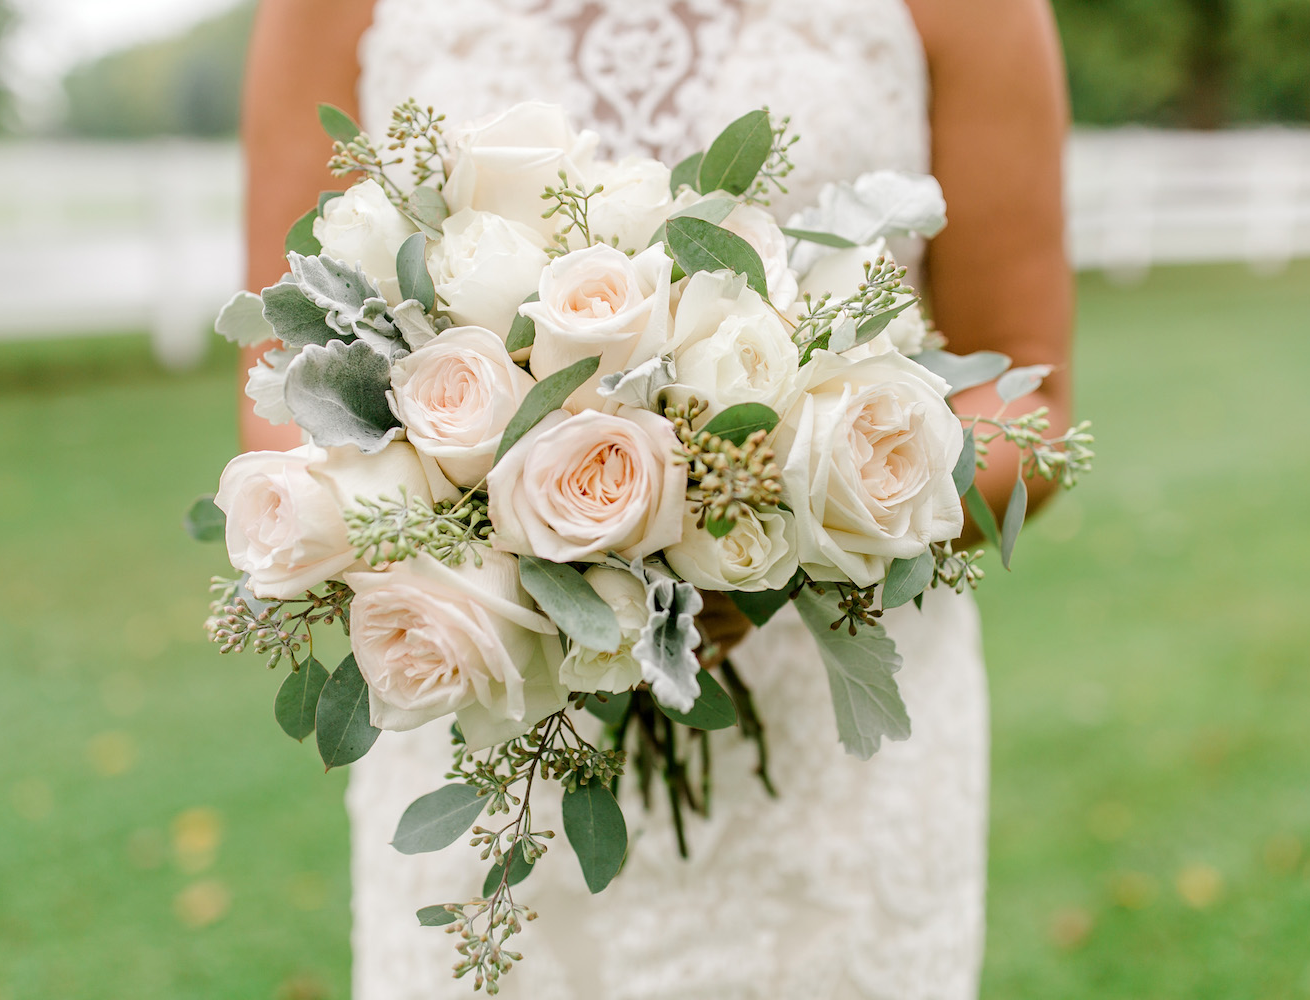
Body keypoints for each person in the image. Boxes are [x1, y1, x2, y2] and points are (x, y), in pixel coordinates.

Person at [238, 1, 1072, 996]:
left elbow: (1032, 401)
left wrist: (785, 525)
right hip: (490, 733)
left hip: (832, 774)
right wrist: (483, 546)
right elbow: (287, 377)